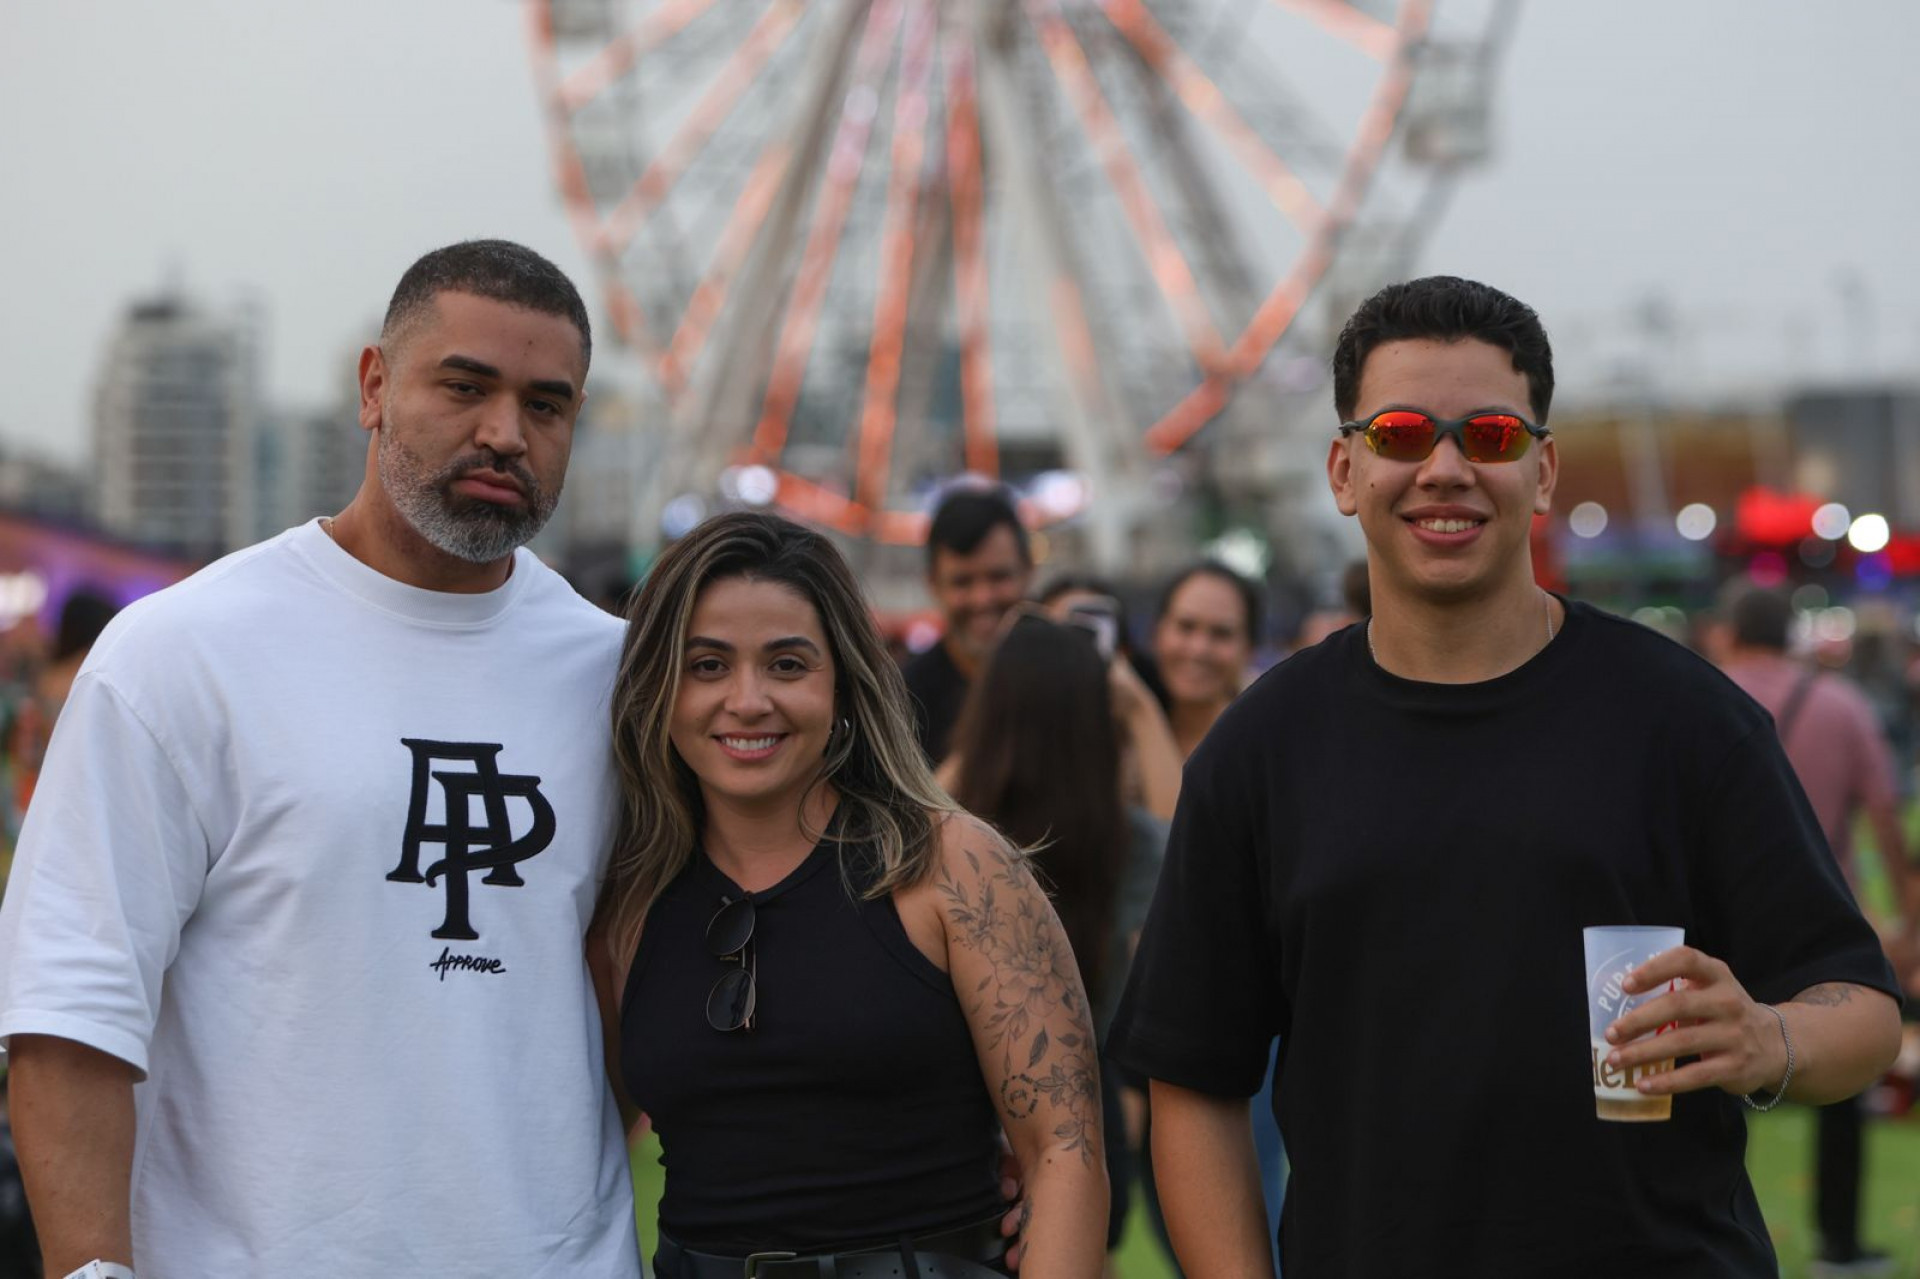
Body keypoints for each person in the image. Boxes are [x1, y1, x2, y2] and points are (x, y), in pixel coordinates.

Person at [1110, 275, 1903, 1277]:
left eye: (1488, 437)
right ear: (1345, 471)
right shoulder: (1261, 749)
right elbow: (1194, 1077)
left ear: (1544, 470)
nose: (1444, 468)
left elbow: (1864, 1013)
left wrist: (1768, 1037)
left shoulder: (1687, 721)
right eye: (1401, 433)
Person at [0, 240, 642, 1278]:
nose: (504, 433)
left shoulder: (617, 680)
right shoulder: (181, 654)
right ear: (374, 386)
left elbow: (639, 1003)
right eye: (466, 386)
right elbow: (68, 1013)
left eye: (546, 405)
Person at [596, 511, 1106, 1277]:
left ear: (843, 679)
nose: (747, 700)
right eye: (706, 665)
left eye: (787, 664)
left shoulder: (954, 867)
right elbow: (577, 1137)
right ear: (659, 688)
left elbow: (1065, 1151)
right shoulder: (628, 903)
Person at [942, 609, 1172, 1258]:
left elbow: (916, 809)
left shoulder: (952, 843)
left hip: (966, 1139)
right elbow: (1193, 863)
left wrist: (1000, 715)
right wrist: (1139, 707)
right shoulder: (1128, 843)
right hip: (1086, 1133)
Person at [1717, 583, 1918, 1276]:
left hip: (1715, 923)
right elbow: (1887, 820)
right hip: (1821, 920)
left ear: (1731, 632)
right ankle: (1840, 1239)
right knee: (1843, 1083)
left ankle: (1711, 1230)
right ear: (1794, 636)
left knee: (1711, 1081)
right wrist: (1908, 925)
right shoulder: (1843, 705)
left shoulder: (1703, 695)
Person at [902, 485, 1033, 763]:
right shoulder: (901, 703)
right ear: (933, 585)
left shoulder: (1069, 678)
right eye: (962, 582)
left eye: (998, 577)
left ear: (1029, 572)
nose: (982, 599)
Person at [1149, 561, 1262, 759]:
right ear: (1157, 633)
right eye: (1186, 626)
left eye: (1221, 633)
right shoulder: (1120, 735)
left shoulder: (1272, 748)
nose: (1199, 649)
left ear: (1249, 650)